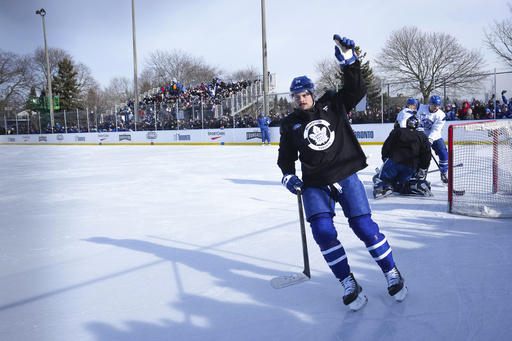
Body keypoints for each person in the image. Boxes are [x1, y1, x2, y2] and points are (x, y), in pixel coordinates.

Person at [277, 34, 408, 312]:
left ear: (312, 93)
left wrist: (350, 62)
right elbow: (285, 157)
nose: (301, 99)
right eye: (296, 96)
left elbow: (356, 91)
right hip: (315, 183)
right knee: (323, 232)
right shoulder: (289, 124)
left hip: (345, 174)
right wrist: (288, 175)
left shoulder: (332, 104)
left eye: (305, 94)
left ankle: (391, 272)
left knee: (364, 228)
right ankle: (348, 281)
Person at [373, 116, 432, 199]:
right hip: (410, 166)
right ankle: (415, 185)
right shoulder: (423, 136)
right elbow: (426, 155)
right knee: (400, 185)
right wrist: (423, 168)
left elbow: (387, 146)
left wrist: (385, 158)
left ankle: (383, 188)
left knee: (381, 178)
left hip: (394, 161)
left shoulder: (398, 131)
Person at [416, 95, 448, 183]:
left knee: (444, 154)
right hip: (422, 136)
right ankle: (419, 172)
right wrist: (420, 132)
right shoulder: (421, 108)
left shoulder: (441, 115)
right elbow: (417, 121)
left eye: (438, 106)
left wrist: (430, 139)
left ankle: (444, 174)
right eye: (434, 105)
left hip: (435, 137)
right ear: (429, 103)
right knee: (422, 155)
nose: (436, 107)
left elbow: (436, 129)